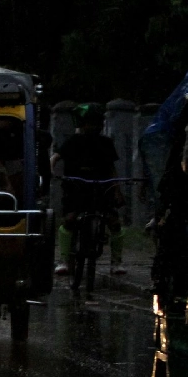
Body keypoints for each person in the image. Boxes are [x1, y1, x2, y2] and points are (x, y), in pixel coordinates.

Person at [51, 103, 123, 276]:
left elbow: (112, 168)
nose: (94, 127)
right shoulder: (73, 141)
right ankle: (64, 260)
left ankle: (116, 262)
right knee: (69, 219)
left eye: (97, 123)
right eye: (90, 122)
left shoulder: (106, 143)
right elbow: (55, 157)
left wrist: (116, 190)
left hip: (101, 187)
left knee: (114, 222)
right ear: (82, 124)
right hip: (76, 187)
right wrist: (51, 170)